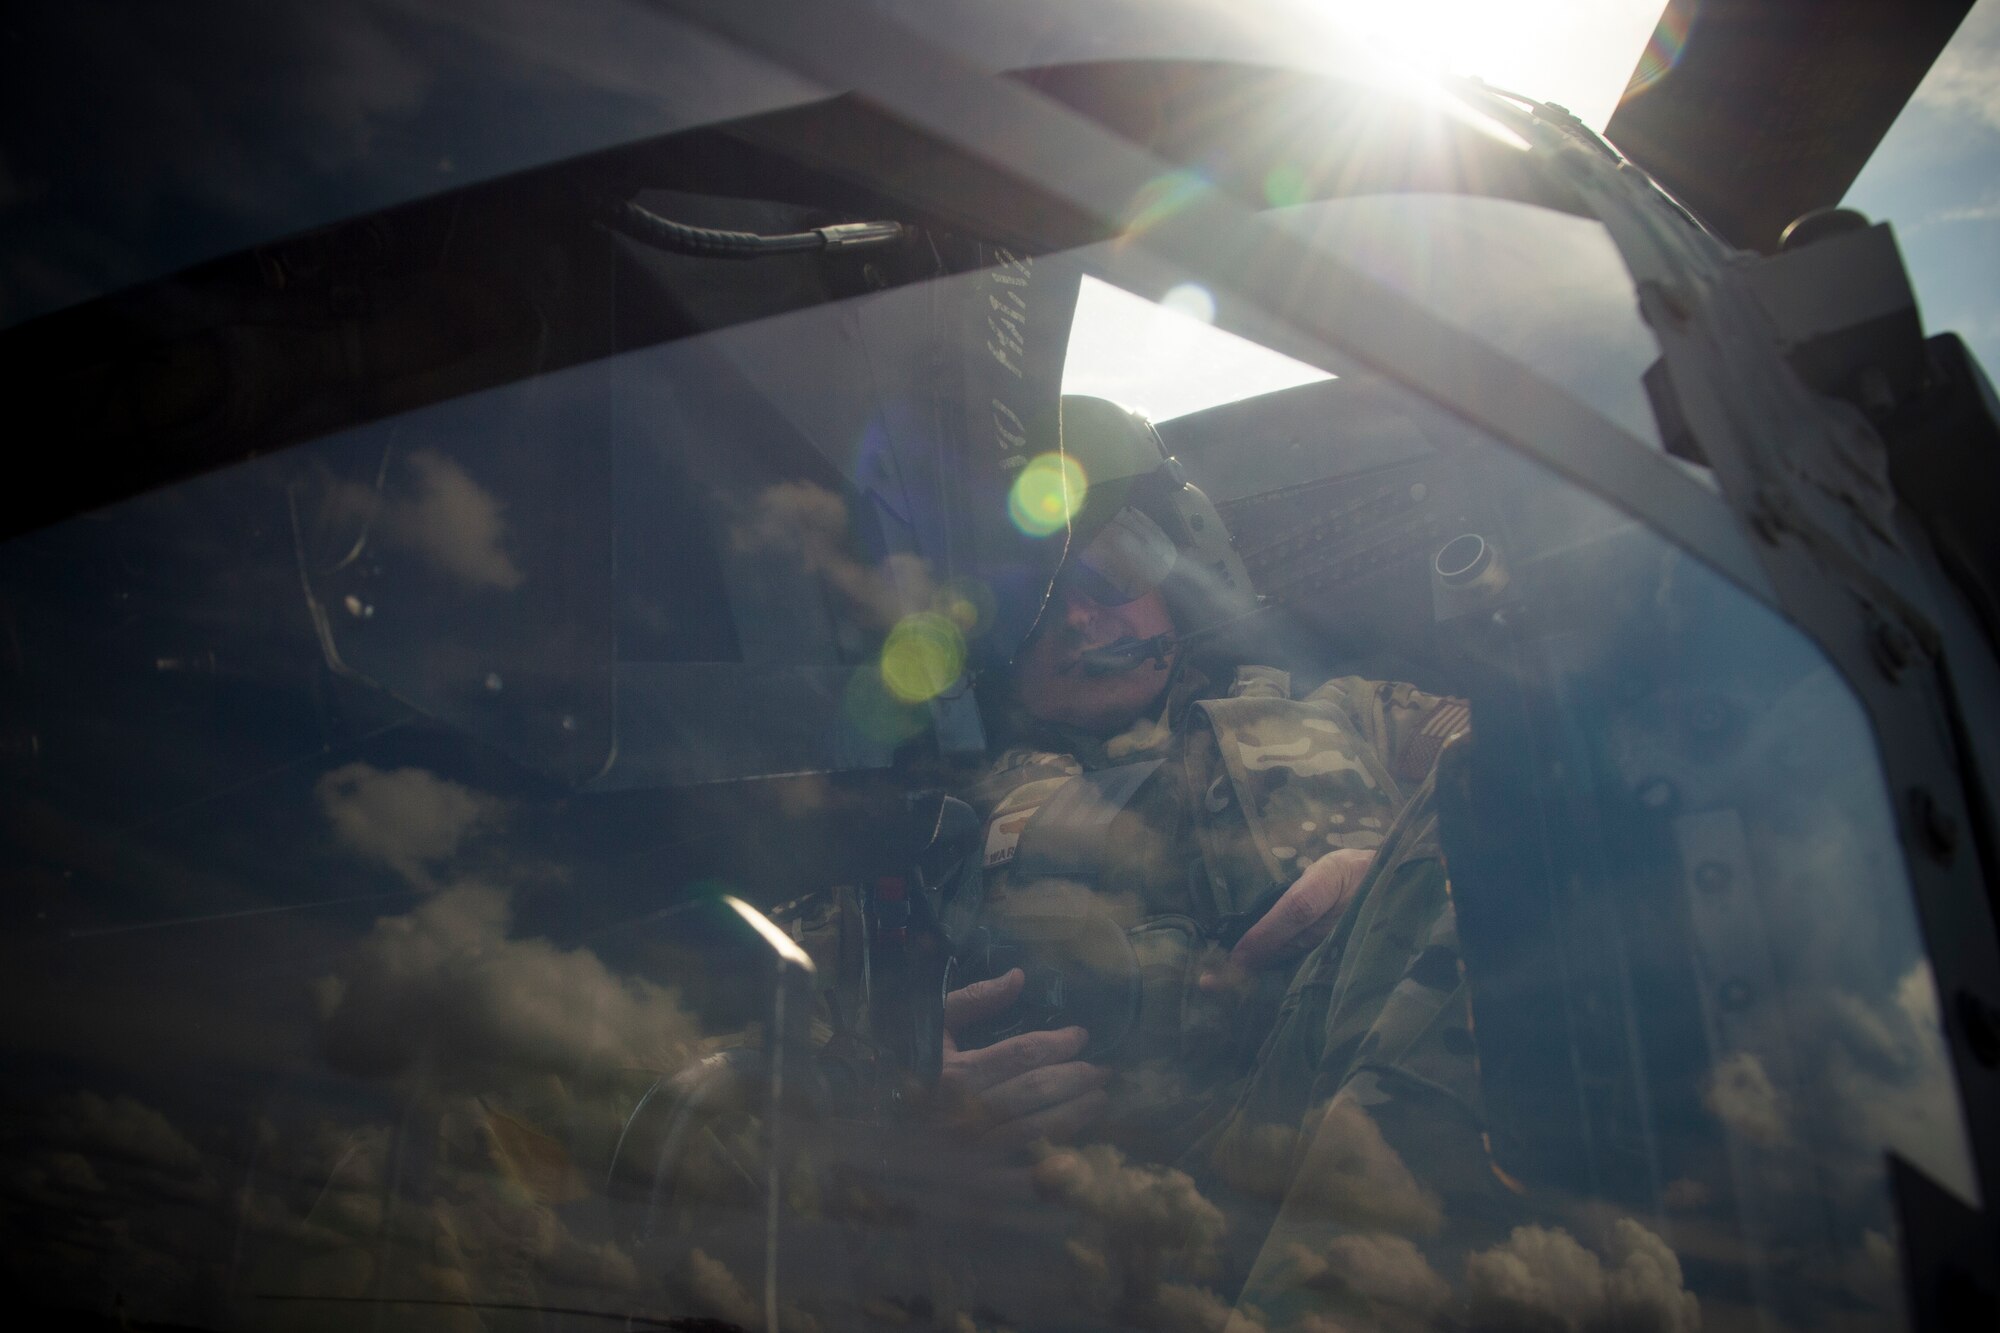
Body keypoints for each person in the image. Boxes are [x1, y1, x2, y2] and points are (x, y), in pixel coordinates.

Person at [931, 397, 1507, 1327]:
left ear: (1178, 569)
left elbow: (1539, 776)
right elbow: (731, 1046)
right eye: (1030, 597)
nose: (1078, 617)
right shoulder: (930, 825)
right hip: (1126, 1249)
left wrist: (1385, 874)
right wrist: (900, 1105)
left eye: (1107, 568)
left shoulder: (1354, 712)